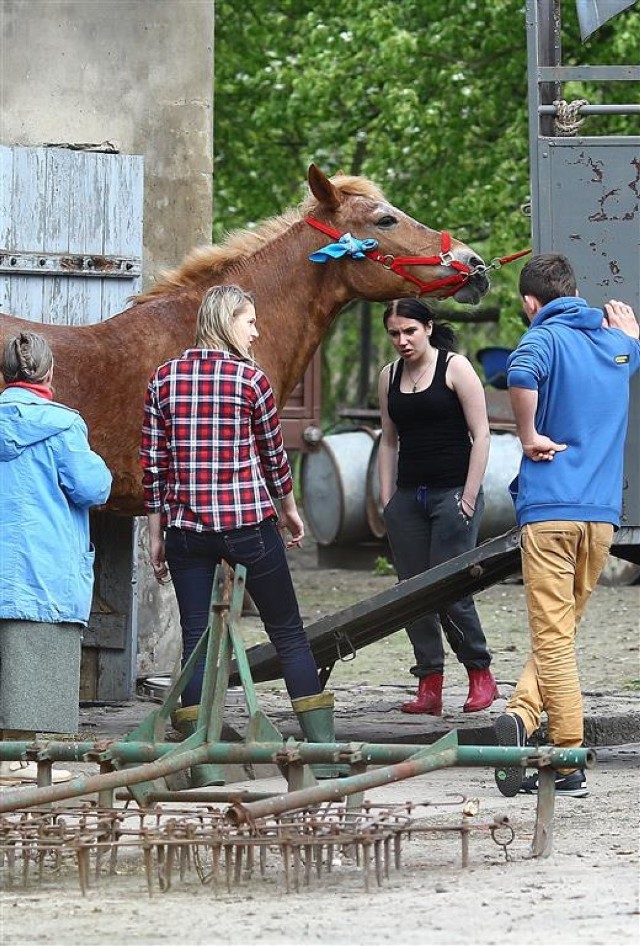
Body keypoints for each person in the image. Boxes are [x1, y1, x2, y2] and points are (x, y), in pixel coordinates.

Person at [140, 284, 336, 782]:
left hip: (187, 530)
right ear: (228, 322)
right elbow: (274, 459)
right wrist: (289, 510)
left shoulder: (164, 379)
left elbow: (155, 468)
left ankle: (202, 767)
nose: (256, 330)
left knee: (197, 642)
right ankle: (327, 755)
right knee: (288, 633)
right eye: (250, 321)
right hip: (248, 523)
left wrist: (156, 533)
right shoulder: (251, 381)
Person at [493, 254, 640, 799]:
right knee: (564, 629)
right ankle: (522, 711)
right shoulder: (615, 345)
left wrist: (528, 435)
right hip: (600, 520)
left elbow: (521, 371)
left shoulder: (543, 337)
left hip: (551, 511)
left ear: (531, 303)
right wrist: (632, 336)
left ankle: (567, 760)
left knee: (553, 639)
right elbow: (628, 358)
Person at [0, 331, 112, 785]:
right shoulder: (63, 426)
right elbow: (92, 488)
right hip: (40, 569)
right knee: (36, 657)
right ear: (49, 373)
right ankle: (25, 760)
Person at [377, 297, 498, 715]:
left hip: (452, 494)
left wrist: (468, 496)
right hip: (409, 499)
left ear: (427, 327)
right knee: (412, 594)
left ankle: (480, 675)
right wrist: (386, 498)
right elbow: (388, 440)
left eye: (410, 331)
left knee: (451, 591)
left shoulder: (455, 367)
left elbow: (482, 434)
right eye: (395, 333)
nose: (402, 340)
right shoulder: (389, 376)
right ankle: (430, 683)